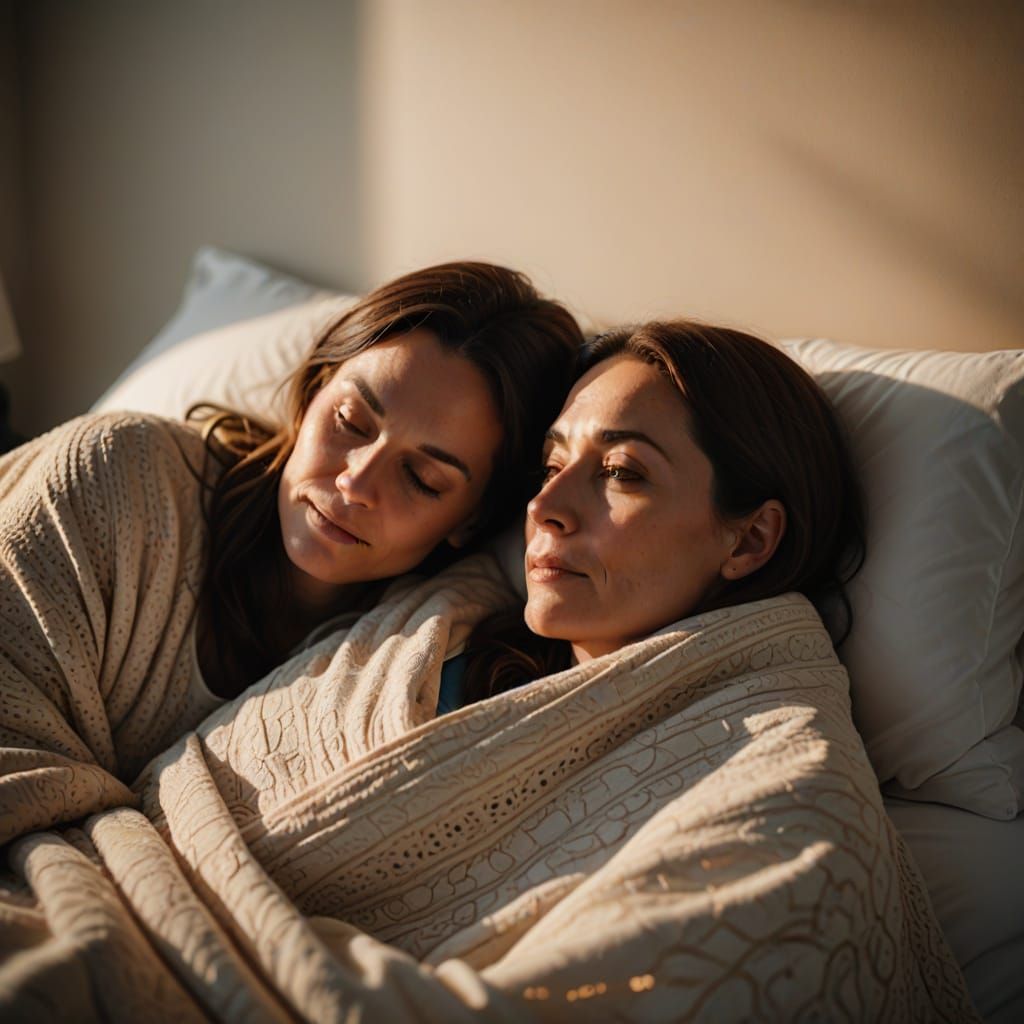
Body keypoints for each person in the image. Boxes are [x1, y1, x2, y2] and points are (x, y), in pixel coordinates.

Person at [0, 260, 582, 841]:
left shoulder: (412, 648)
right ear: (311, 395)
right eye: (351, 421)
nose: (355, 483)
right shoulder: (115, 474)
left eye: (423, 478)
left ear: (473, 518)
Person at [448, 318, 866, 707]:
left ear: (750, 539)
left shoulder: (779, 764)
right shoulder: (429, 667)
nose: (543, 507)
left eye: (620, 472)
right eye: (551, 467)